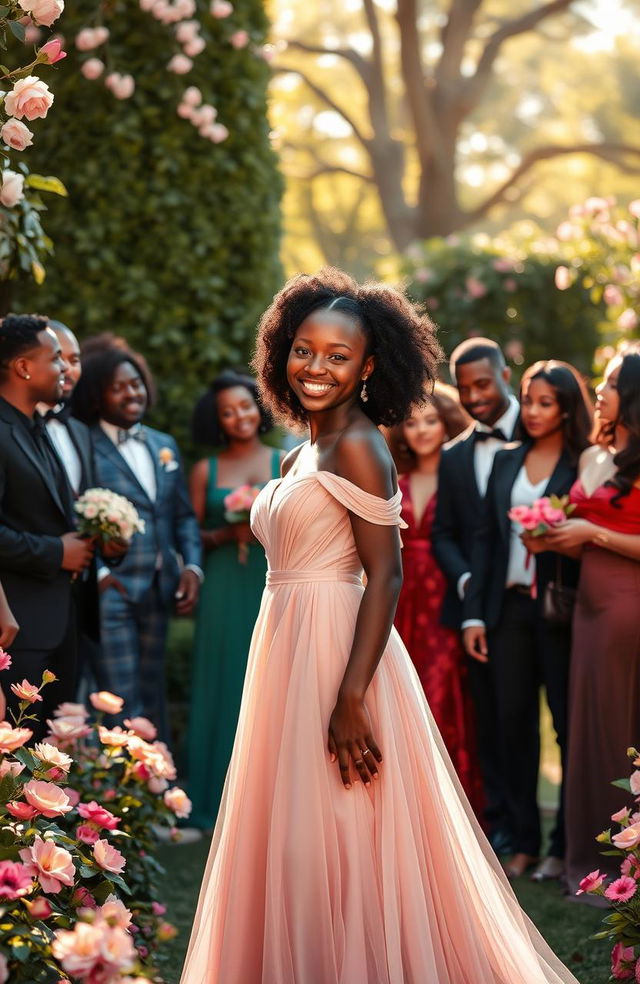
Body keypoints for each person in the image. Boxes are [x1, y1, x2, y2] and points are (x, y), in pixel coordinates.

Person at [180, 269, 580, 984]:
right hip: (284, 642)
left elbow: (385, 573)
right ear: (282, 351)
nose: (316, 367)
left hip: (338, 652)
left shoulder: (361, 445)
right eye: (305, 349)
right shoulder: (302, 449)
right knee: (291, 832)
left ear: (370, 366)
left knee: (340, 830)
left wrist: (351, 696)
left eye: (339, 356)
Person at [462, 361, 592, 882]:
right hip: (508, 609)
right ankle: (522, 842)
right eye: (529, 400)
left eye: (545, 403)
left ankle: (563, 846)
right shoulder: (507, 460)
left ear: (565, 408)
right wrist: (474, 614)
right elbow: (485, 541)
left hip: (562, 609)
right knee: (512, 725)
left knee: (566, 727)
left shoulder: (585, 464)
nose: (533, 411)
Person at [537, 351, 640, 901]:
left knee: (616, 732)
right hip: (587, 606)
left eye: (612, 383)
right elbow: (580, 530)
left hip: (627, 607)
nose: (598, 390)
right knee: (590, 729)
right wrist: (551, 536)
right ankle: (594, 858)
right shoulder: (595, 458)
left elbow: (606, 535)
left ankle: (623, 864)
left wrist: (590, 534)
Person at [72, 348, 202, 741]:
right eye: (118, 388)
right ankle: (112, 794)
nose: (132, 393)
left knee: (152, 692)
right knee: (117, 697)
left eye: (136, 383)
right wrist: (100, 574)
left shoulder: (163, 445)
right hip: (110, 593)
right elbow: (72, 516)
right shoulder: (84, 446)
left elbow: (181, 516)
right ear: (97, 396)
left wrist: (192, 567)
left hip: (159, 591)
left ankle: (153, 791)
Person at [432, 337, 519, 854]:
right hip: (476, 606)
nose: (475, 396)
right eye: (465, 389)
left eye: (483, 384)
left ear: (506, 375)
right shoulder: (455, 455)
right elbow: (443, 532)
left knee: (527, 721)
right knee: (490, 720)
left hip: (531, 601)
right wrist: (468, 581)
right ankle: (504, 823)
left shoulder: (540, 437)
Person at [186, 370, 283, 827]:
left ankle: (267, 801)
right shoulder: (205, 470)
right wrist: (227, 532)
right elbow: (190, 535)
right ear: (218, 421)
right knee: (221, 679)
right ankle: (211, 798)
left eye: (245, 405)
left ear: (258, 406)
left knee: (267, 682)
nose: (239, 416)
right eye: (228, 412)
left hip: (270, 581)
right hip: (223, 583)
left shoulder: (284, 462)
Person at [388, 384, 483, 813]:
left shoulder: (463, 476)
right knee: (400, 691)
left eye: (431, 420)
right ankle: (404, 799)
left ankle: (450, 804)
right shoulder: (392, 476)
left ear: (447, 422)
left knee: (443, 688)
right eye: (412, 422)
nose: (422, 430)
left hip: (448, 595)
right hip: (400, 596)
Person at [0, 314, 94, 737]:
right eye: (56, 359)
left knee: (49, 759)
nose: (65, 369)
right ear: (23, 368)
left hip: (60, 621)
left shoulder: (36, 427)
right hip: (16, 627)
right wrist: (57, 552)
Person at [37, 320, 128, 684]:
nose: (69, 369)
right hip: (24, 600)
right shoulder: (14, 426)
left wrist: (110, 546)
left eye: (75, 360)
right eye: (61, 358)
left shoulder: (77, 431)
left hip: (75, 607)